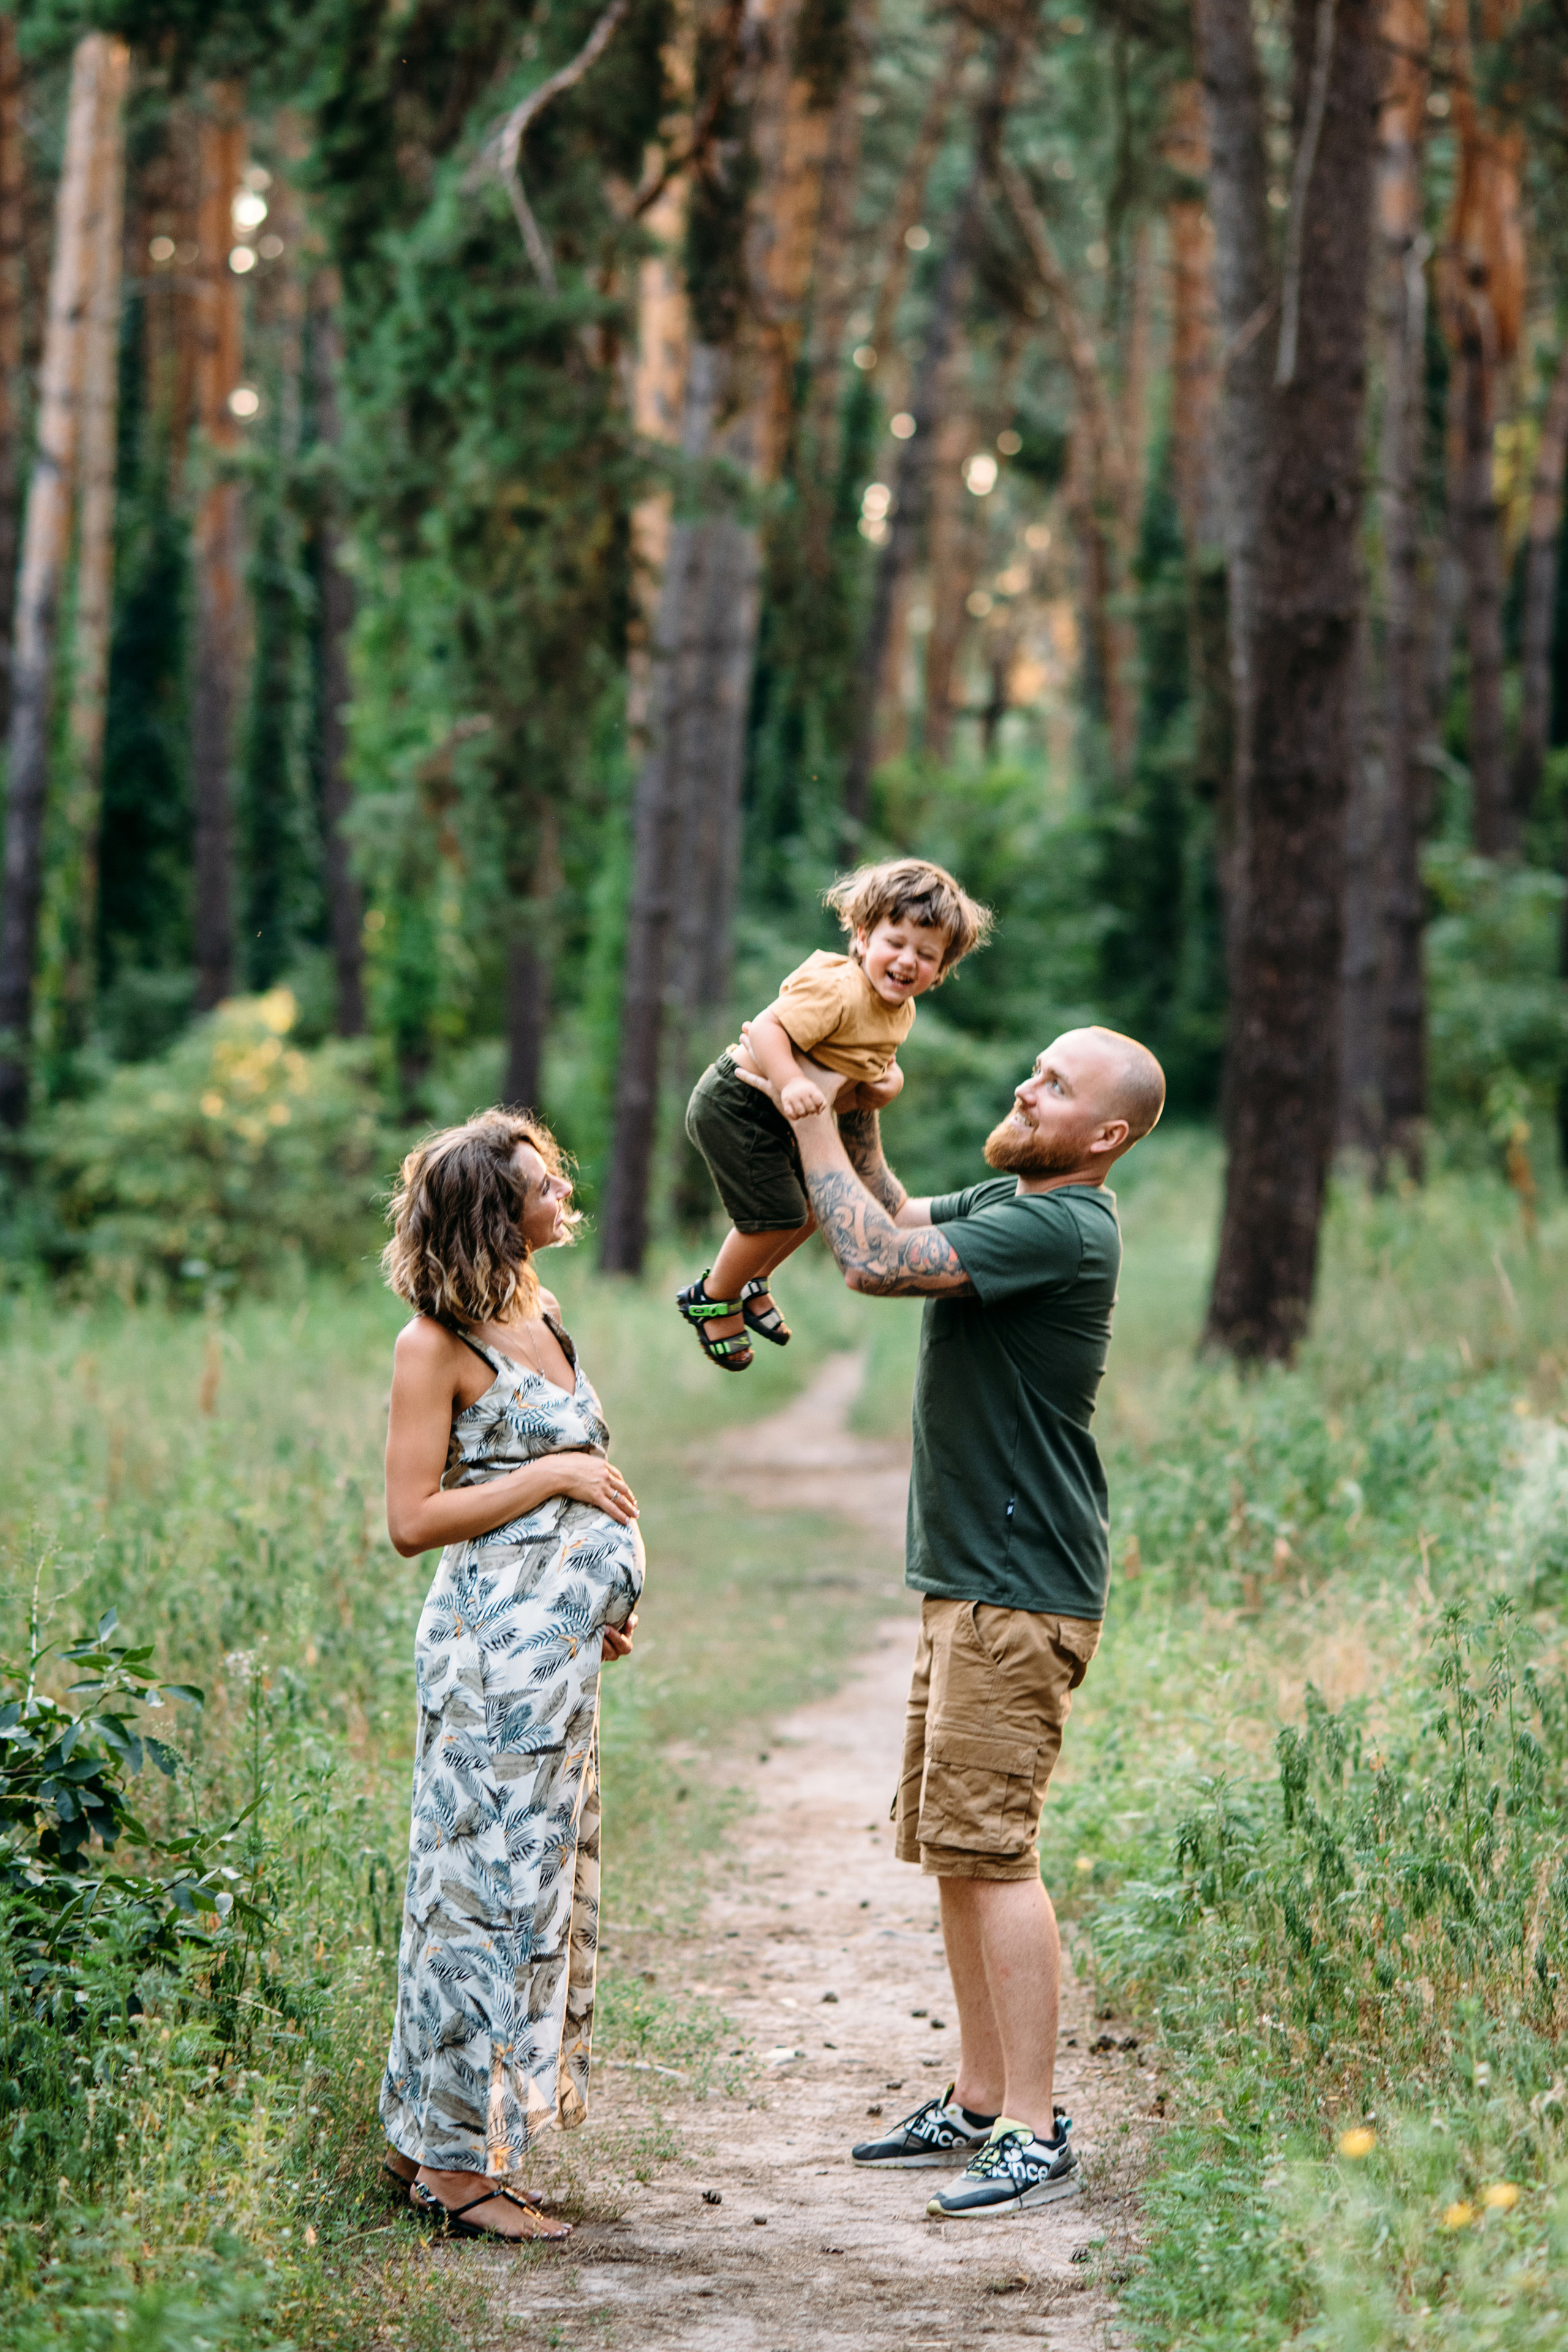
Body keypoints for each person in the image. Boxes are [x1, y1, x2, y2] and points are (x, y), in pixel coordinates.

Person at [742, 1024, 1164, 2220]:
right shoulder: (1015, 1195)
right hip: (971, 1582)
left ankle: (1033, 2130)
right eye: (1029, 1070)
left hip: (1015, 1591)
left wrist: (800, 1109)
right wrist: (857, 1095)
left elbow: (872, 1261)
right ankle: (978, 2102)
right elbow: (882, 1203)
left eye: (1052, 1085)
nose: (1023, 1086)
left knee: (995, 1852)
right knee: (952, 1851)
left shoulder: (1061, 1225)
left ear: (1105, 1135)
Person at [377, 1109, 644, 2243]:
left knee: (530, 1898)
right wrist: (556, 1483)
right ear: (492, 1211)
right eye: (537, 1185)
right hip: (487, 1663)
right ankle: (458, 2174)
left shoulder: (540, 1307)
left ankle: (429, 2141)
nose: (559, 1192)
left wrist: (599, 1602)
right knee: (476, 1896)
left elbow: (578, 1466)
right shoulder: (433, 1346)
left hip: (556, 1665)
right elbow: (413, 1518)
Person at [676, 859, 992, 1370]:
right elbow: (764, 1031)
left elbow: (871, 1065)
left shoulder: (899, 1010)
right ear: (864, 937)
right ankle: (712, 1299)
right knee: (776, 1215)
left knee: (812, 1210)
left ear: (942, 970)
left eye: (926, 954)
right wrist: (793, 1080)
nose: (908, 961)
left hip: (782, 1114)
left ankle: (754, 1279)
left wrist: (889, 1081)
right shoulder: (840, 988)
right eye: (896, 942)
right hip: (740, 1104)